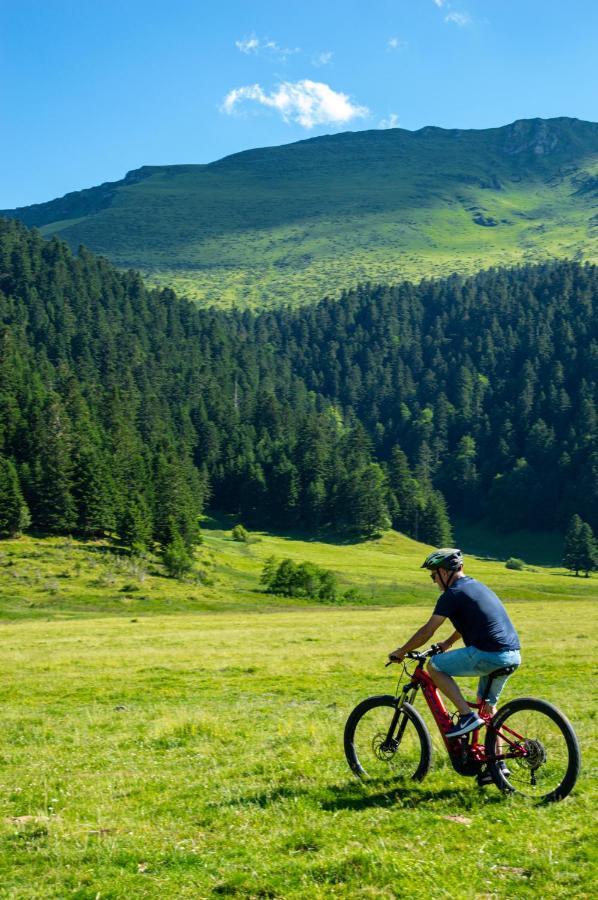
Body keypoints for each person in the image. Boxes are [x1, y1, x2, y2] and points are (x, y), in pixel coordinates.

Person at [388, 548, 521, 742]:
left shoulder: (452, 594)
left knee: (434, 665)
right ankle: (497, 767)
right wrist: (447, 643)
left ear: (443, 572)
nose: (434, 581)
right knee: (488, 710)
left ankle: (466, 716)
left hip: (488, 654)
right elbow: (472, 623)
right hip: (512, 655)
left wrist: (402, 651)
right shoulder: (478, 587)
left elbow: (428, 630)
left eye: (433, 576)